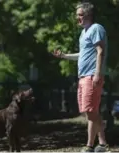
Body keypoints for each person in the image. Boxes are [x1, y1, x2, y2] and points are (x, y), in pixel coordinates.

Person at [52, 2, 109, 152]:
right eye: (77, 14)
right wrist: (64, 56)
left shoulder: (96, 28)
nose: (77, 17)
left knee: (90, 111)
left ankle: (89, 146)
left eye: (80, 15)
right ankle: (102, 143)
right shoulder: (84, 32)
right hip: (83, 77)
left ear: (88, 15)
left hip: (92, 76)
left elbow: (100, 51)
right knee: (89, 110)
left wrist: (97, 73)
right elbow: (82, 55)